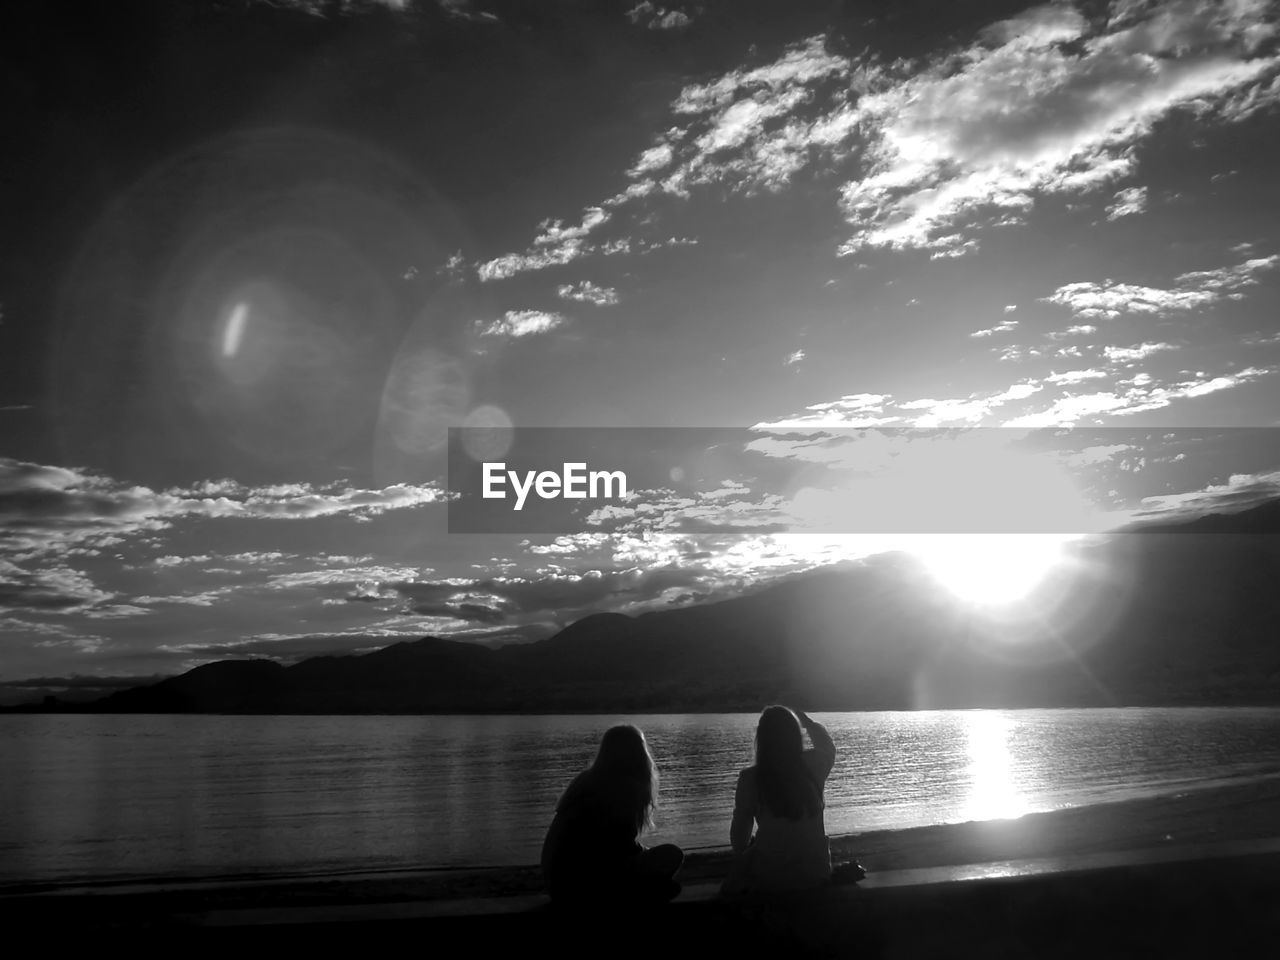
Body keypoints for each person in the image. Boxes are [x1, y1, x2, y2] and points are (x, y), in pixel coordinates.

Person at [541, 724, 684, 907]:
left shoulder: (587, 780)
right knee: (672, 854)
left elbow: (614, 847)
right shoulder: (622, 789)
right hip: (581, 888)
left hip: (557, 884)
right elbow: (621, 848)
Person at [721, 705, 836, 898]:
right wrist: (809, 724)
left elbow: (739, 842)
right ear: (795, 735)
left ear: (762, 738)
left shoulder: (750, 778)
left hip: (771, 877)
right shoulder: (814, 764)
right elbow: (827, 746)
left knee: (734, 879)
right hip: (817, 872)